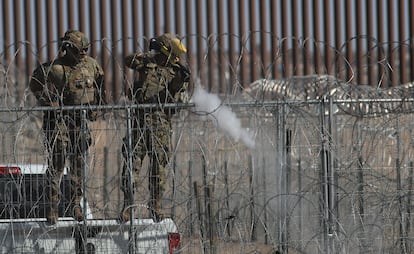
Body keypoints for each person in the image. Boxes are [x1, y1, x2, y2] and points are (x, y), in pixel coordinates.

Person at [29, 30, 105, 224]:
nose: (83, 53)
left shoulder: (91, 65)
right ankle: (53, 207)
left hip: (80, 121)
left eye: (86, 50)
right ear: (68, 49)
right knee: (57, 164)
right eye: (80, 50)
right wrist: (48, 102)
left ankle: (75, 206)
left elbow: (101, 82)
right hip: (59, 122)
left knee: (78, 165)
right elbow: (35, 83)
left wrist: (98, 107)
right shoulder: (55, 68)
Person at [120, 33, 190, 222]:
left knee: (158, 170)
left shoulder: (177, 72)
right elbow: (128, 60)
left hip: (161, 125)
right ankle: (128, 206)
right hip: (139, 123)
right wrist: (149, 56)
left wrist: (180, 85)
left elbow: (182, 98)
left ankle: (155, 206)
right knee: (131, 167)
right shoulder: (147, 63)